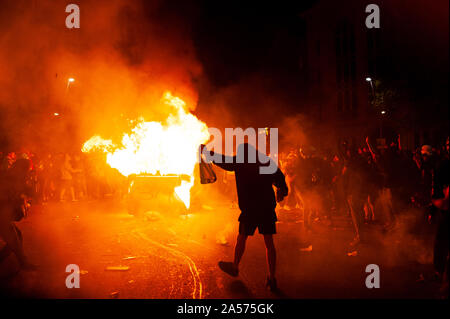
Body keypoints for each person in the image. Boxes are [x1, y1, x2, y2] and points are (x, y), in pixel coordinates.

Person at [201, 143, 288, 291]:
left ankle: (235, 266)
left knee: (242, 238)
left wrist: (207, 152)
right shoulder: (266, 162)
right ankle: (272, 278)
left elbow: (222, 160)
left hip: (250, 209)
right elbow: (280, 179)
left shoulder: (240, 163)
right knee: (269, 243)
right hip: (266, 208)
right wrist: (281, 191)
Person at [0, 158, 36, 270]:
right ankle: (24, 264)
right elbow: (5, 196)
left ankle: (21, 263)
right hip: (1, 215)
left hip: (4, 214)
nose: (27, 171)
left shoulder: (14, 177)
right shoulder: (10, 178)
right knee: (14, 239)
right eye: (26, 168)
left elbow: (30, 192)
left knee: (17, 237)